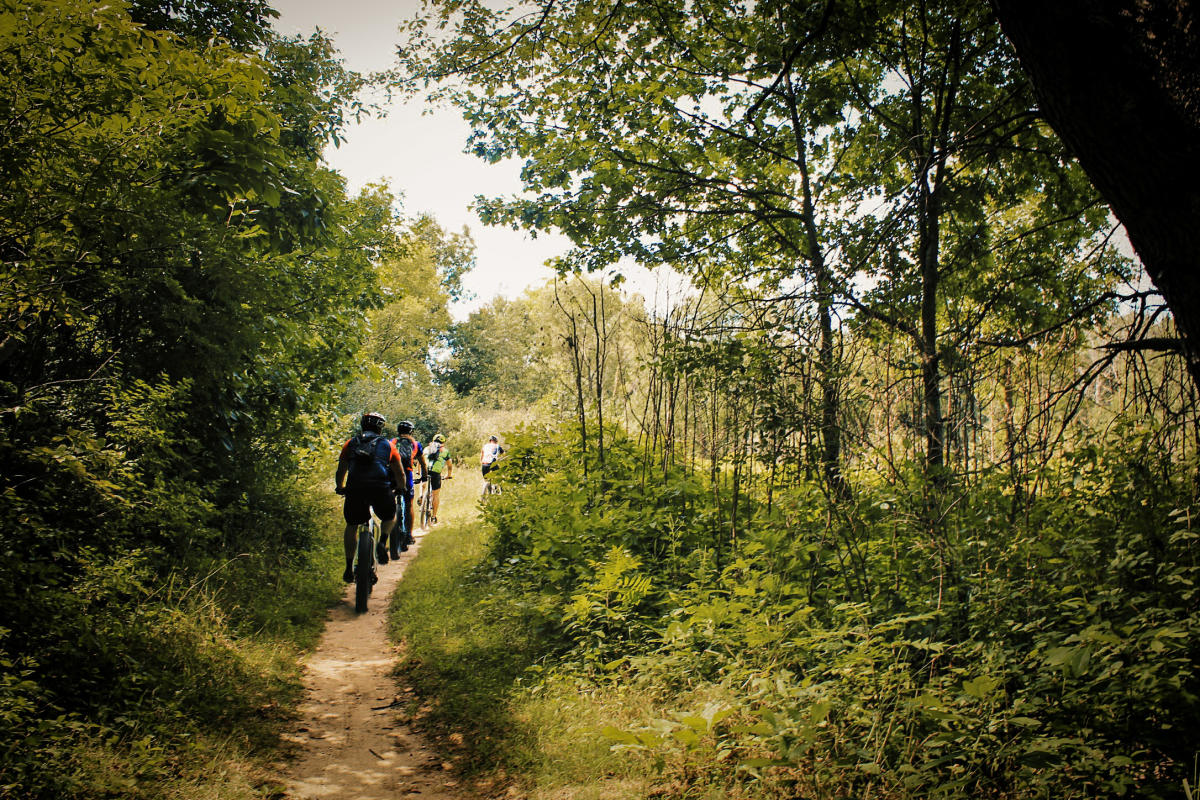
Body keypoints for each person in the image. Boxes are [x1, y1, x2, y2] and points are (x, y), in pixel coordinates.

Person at [335, 412, 405, 584]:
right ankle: (382, 542)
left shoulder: (350, 443)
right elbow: (399, 472)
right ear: (380, 428)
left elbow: (341, 469)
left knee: (352, 524)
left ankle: (348, 567)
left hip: (355, 488)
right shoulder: (388, 445)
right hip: (379, 487)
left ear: (362, 425)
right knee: (389, 517)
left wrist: (340, 487)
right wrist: (401, 488)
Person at [392, 420, 428, 557]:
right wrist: (424, 477)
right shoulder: (415, 444)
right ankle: (409, 534)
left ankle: (392, 533)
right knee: (409, 505)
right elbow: (423, 463)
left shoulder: (392, 442)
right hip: (407, 474)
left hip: (392, 474)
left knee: (391, 501)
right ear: (411, 431)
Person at [424, 433, 453, 524]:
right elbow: (450, 466)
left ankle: (421, 496)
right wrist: (448, 475)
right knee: (435, 494)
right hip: (436, 473)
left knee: (424, 484)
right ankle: (434, 516)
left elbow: (421, 461)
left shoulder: (427, 448)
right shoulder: (445, 451)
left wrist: (419, 471)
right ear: (443, 442)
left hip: (425, 471)